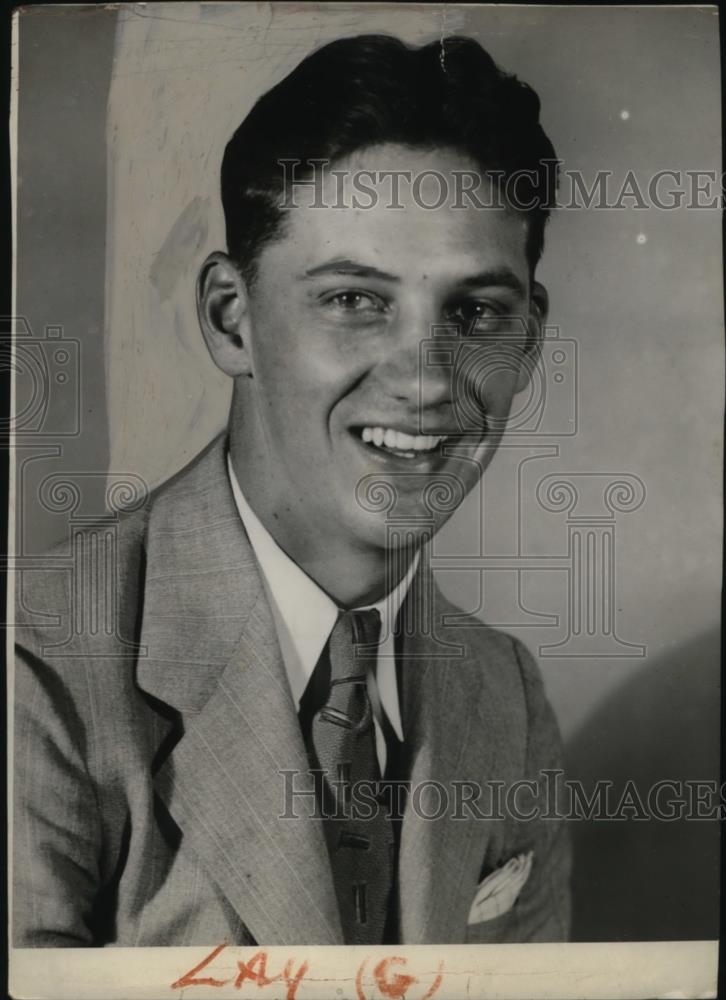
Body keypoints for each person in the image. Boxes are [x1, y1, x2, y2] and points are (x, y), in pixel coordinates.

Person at [13, 33, 571, 947]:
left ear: (529, 342)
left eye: (475, 313)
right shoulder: (37, 674)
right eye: (355, 300)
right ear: (232, 320)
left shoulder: (504, 692)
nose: (429, 382)